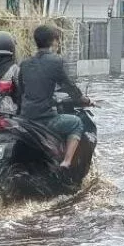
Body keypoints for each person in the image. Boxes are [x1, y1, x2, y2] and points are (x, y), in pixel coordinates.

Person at [17, 24, 91, 168]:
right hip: (44, 119)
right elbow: (69, 86)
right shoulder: (56, 61)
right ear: (52, 41)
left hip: (25, 118)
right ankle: (67, 162)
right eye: (57, 40)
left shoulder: (24, 64)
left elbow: (21, 91)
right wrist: (84, 100)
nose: (58, 43)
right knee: (76, 123)